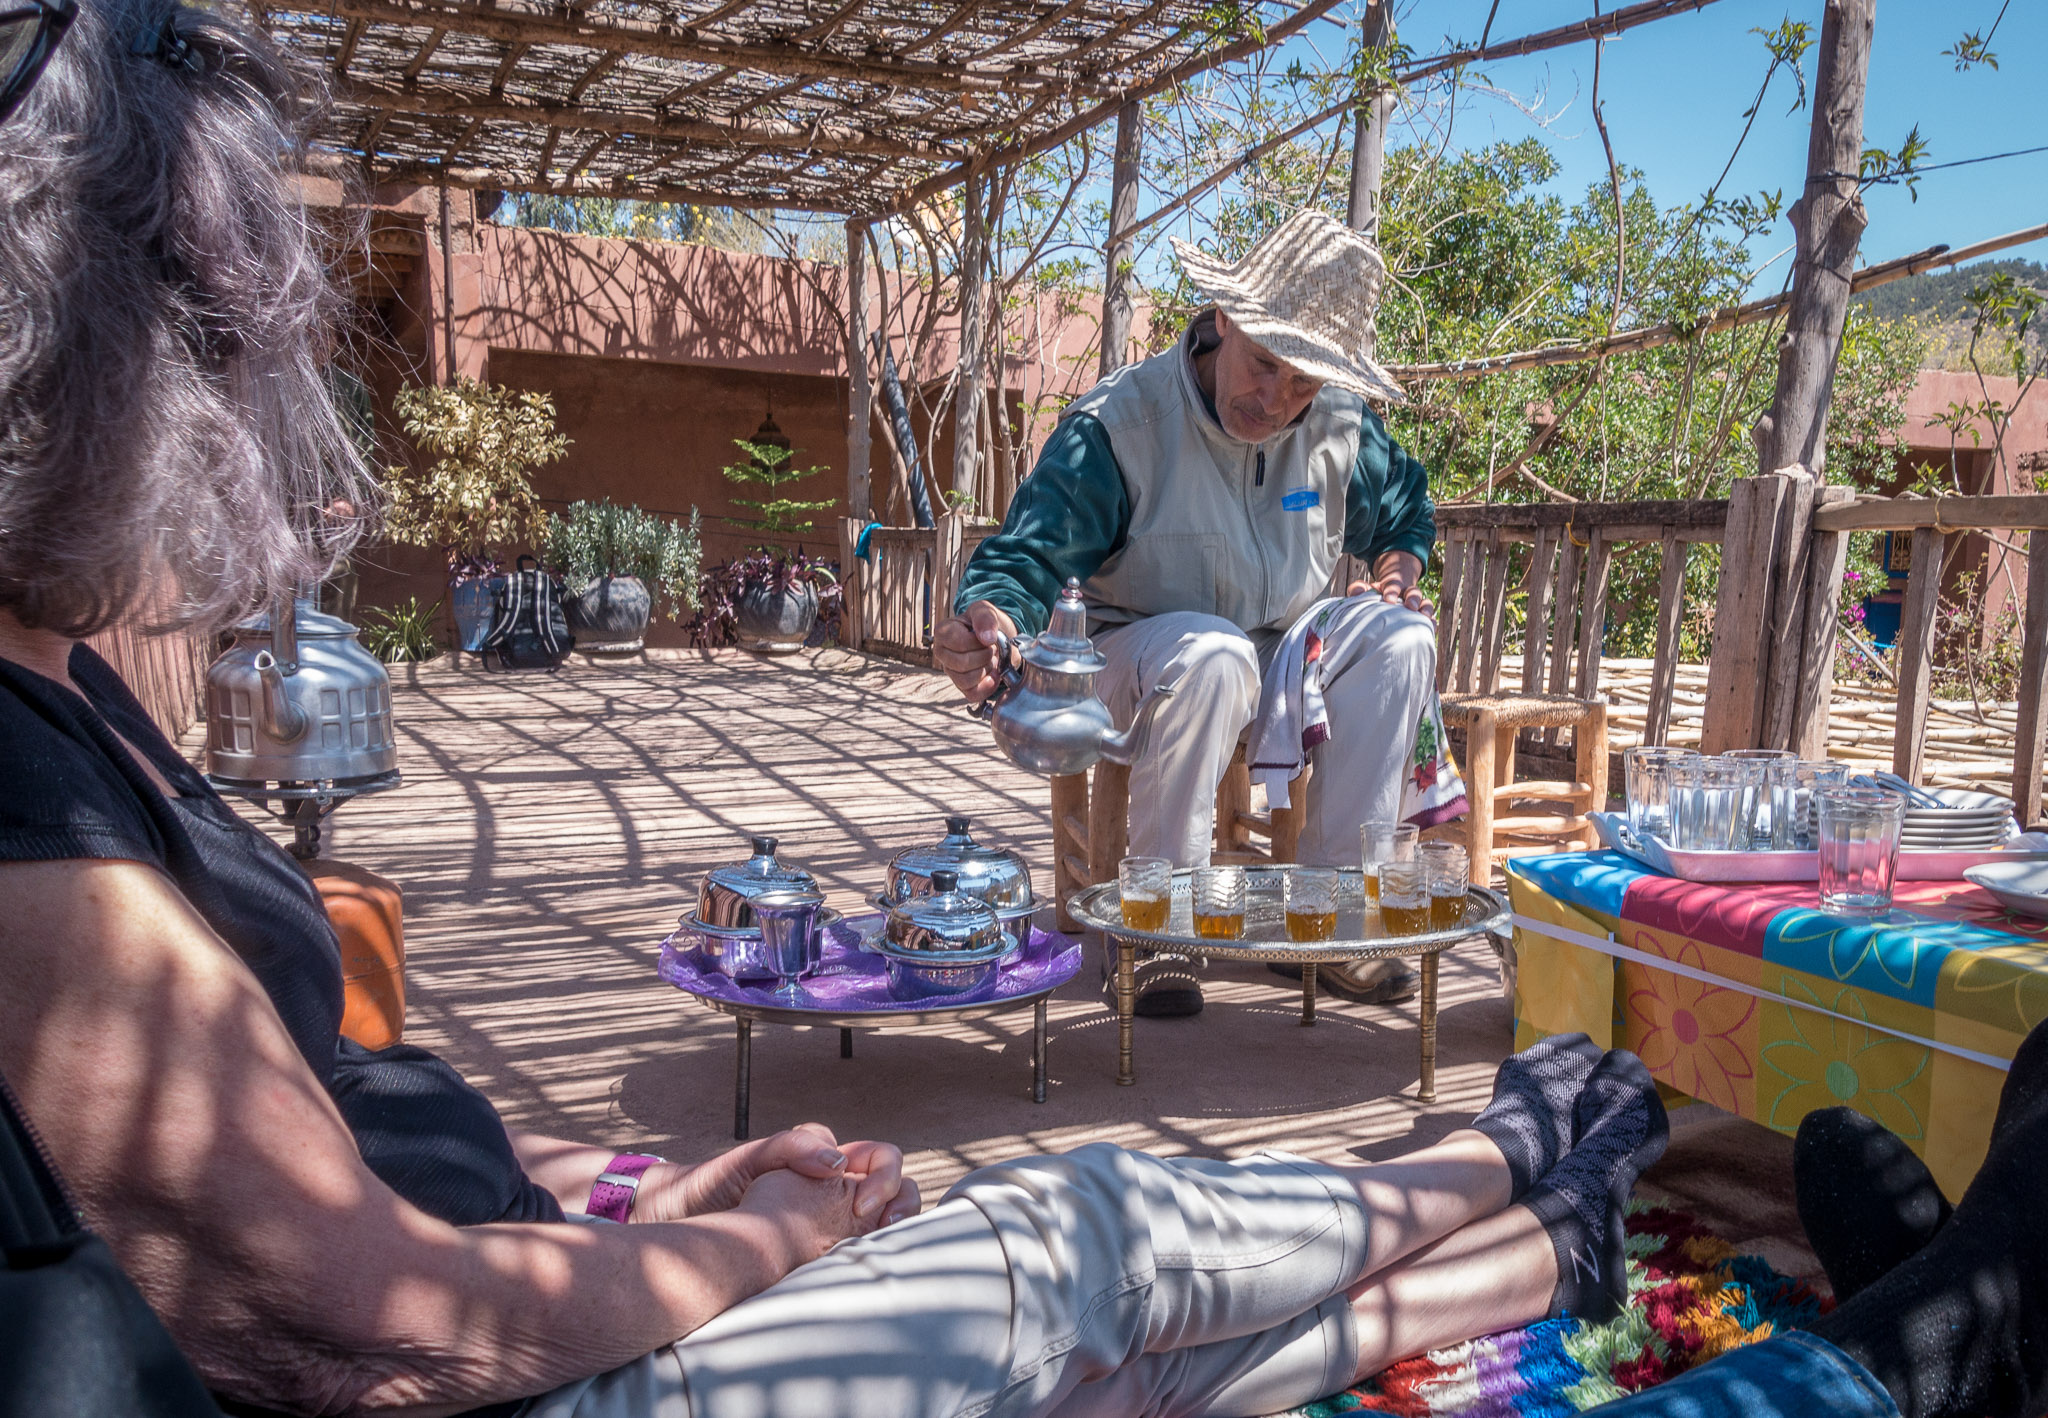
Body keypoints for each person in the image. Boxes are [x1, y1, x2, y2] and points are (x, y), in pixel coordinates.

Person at [934, 210, 1455, 1017]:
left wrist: (1395, 577)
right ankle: (1161, 929)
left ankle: (1331, 919)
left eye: (1305, 384)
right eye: (1265, 365)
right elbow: (1027, 558)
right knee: (1214, 656)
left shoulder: (1340, 429)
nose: (1276, 400)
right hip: (1130, 657)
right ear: (1223, 318)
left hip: (1277, 658)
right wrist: (991, 620)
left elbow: (1405, 515)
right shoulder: (1121, 425)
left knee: (1402, 638)